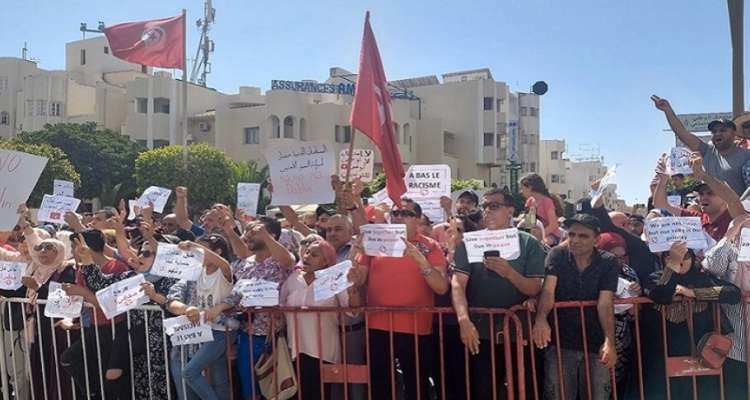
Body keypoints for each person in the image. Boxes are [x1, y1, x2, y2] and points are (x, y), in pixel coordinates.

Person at [451, 188, 546, 400]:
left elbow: (535, 288)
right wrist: (463, 320)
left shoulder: (528, 242)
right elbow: (458, 283)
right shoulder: (470, 242)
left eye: (494, 206)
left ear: (510, 211)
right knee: (483, 390)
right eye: (484, 206)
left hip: (520, 333)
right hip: (481, 332)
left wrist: (509, 273)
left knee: (526, 390)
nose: (487, 211)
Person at [356, 198, 448, 400]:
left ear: (418, 220)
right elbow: (358, 279)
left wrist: (421, 261)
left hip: (416, 327)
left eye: (406, 213)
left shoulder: (430, 246)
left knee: (416, 386)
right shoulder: (374, 241)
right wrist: (356, 255)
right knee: (380, 386)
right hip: (378, 325)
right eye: (396, 213)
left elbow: (441, 287)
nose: (399, 217)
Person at [532, 213, 618, 400]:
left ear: (596, 240)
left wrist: (609, 341)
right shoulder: (557, 255)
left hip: (595, 343)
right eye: (571, 235)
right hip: (560, 342)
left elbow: (605, 303)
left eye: (583, 236)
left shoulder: (608, 262)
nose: (575, 240)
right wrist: (540, 320)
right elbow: (548, 291)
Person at [643, 241, 741, 399]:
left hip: (701, 350)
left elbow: (733, 293)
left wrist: (693, 293)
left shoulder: (702, 278)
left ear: (693, 258)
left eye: (685, 255)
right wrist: (673, 265)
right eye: (671, 255)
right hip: (663, 351)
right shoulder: (654, 277)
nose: (680, 259)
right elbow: (660, 294)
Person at [214, 214, 294, 400]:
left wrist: (265, 236)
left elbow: (288, 260)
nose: (248, 235)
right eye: (248, 231)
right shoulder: (245, 263)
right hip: (246, 335)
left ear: (271, 234)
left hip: (273, 337)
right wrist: (229, 230)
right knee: (250, 389)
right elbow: (243, 253)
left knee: (275, 389)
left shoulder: (281, 260)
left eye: (254, 231)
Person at [279, 238, 363, 400]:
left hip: (322, 349)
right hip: (294, 348)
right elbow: (280, 306)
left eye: (314, 255)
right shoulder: (293, 279)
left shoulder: (333, 279)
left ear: (326, 261)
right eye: (308, 252)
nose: (307, 256)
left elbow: (352, 310)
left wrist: (353, 290)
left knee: (318, 394)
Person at [60, 229, 136, 400]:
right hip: (94, 327)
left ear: (85, 247)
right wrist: (69, 317)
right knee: (70, 359)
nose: (72, 252)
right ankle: (94, 394)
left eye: (74, 246)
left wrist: (84, 294)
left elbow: (110, 304)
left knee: (113, 376)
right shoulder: (82, 270)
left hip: (115, 328)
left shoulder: (117, 267)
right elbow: (81, 301)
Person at [166, 236, 237, 400]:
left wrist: (192, 244)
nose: (196, 253)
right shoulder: (198, 272)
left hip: (221, 331)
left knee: (190, 372)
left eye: (200, 250)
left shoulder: (224, 271)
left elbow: (224, 264)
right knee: (220, 380)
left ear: (217, 252)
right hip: (205, 330)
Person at [652, 95, 750, 195]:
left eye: (723, 130)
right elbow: (682, 134)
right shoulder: (707, 151)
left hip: (738, 209)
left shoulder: (746, 156)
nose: (717, 134)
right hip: (709, 209)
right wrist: (667, 110)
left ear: (734, 134)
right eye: (714, 131)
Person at [653, 154, 744, 241]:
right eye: (701, 193)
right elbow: (661, 205)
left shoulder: (734, 217)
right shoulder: (696, 219)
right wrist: (663, 179)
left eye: (710, 193)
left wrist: (703, 176)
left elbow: (733, 201)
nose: (704, 197)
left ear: (724, 198)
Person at [520, 173, 563, 246]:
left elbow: (553, 225)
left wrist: (541, 235)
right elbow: (530, 223)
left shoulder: (547, 202)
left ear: (530, 187)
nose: (521, 191)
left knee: (542, 244)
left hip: (551, 234)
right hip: (536, 234)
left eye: (522, 188)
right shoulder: (529, 202)